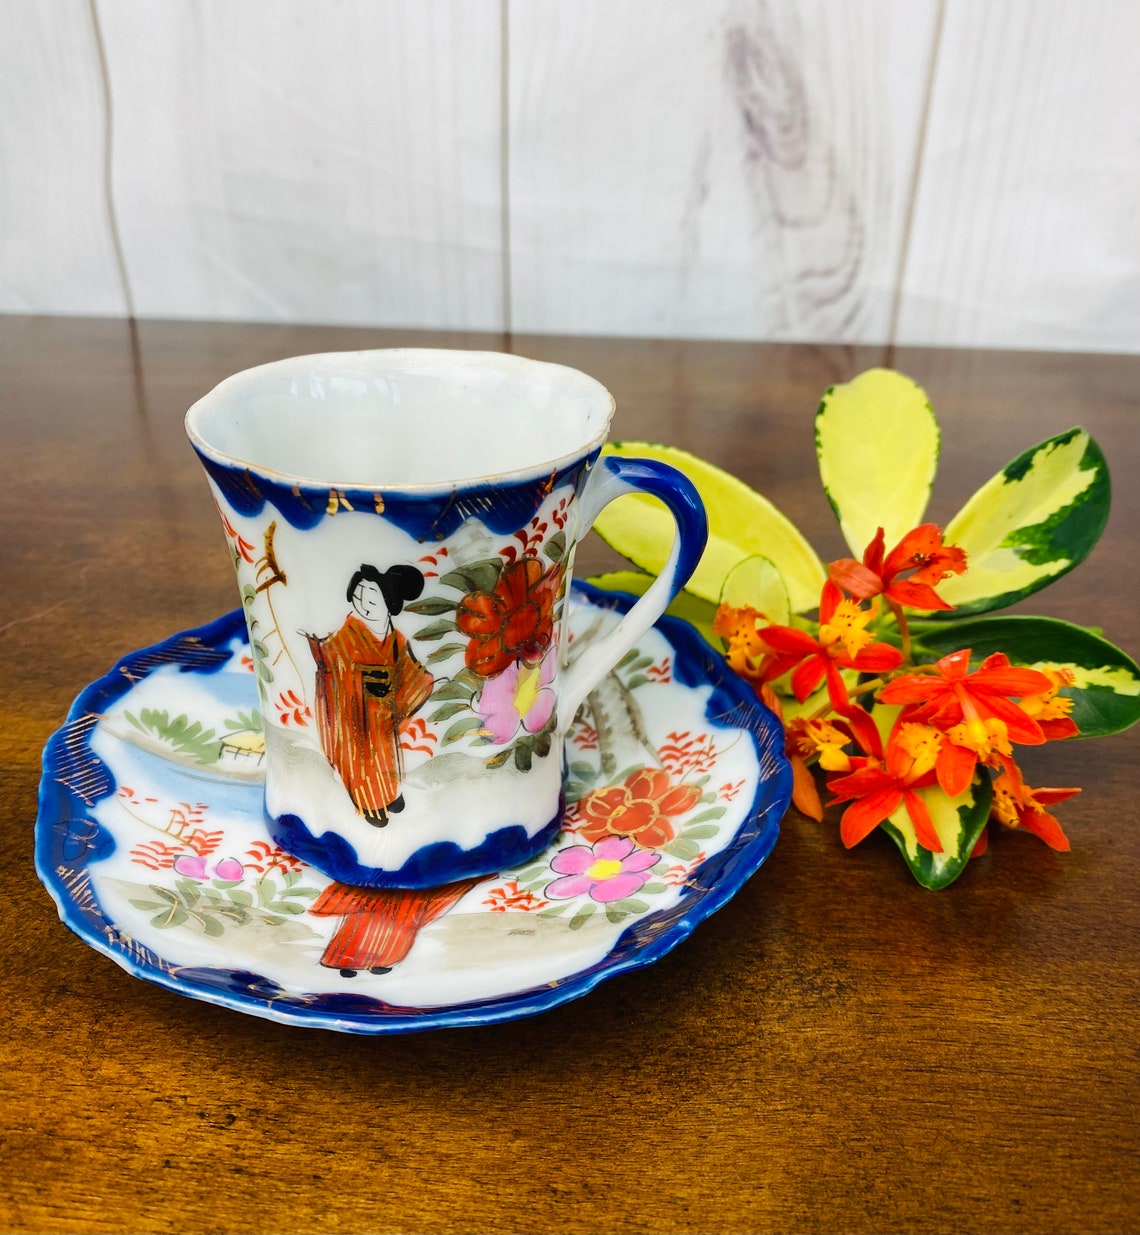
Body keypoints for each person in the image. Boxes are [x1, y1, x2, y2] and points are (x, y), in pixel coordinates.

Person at [306, 564, 433, 827]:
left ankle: (387, 796)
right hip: (354, 712)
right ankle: (368, 805)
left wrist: (421, 683)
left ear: (389, 604)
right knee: (361, 760)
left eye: (372, 599)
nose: (363, 604)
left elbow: (410, 673)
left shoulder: (396, 638)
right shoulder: (348, 633)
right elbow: (331, 660)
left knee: (386, 757)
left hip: (381, 713)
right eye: (359, 595)